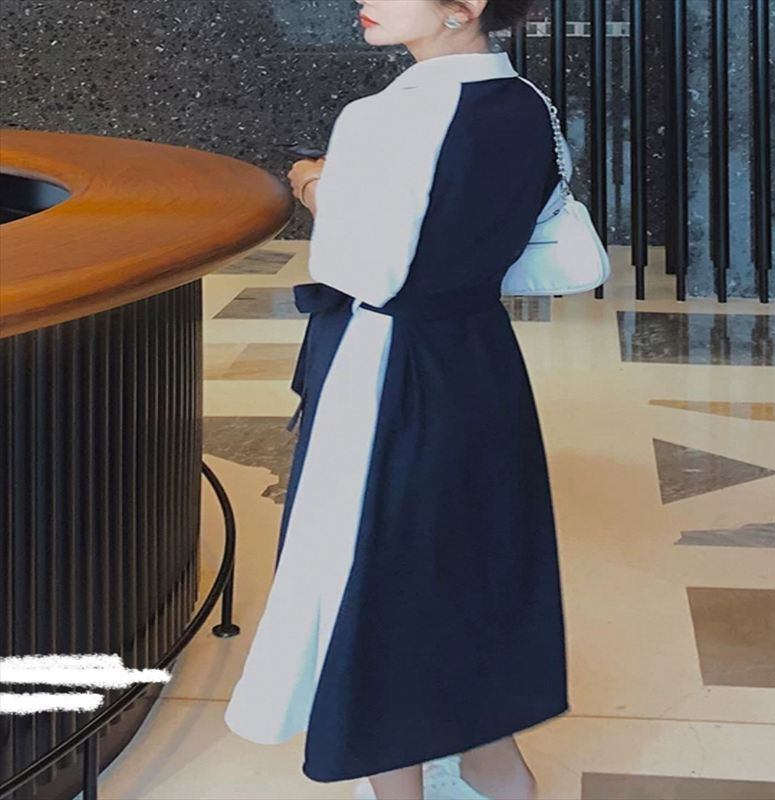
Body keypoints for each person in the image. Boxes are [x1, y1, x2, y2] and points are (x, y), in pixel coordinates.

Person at [224, 1, 569, 798]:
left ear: (463, 6)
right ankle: (492, 764)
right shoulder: (528, 104)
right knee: (467, 560)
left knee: (373, 575)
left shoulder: (381, 117)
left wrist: (314, 182)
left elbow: (365, 268)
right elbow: (558, 250)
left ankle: (401, 786)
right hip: (479, 357)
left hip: (385, 367)